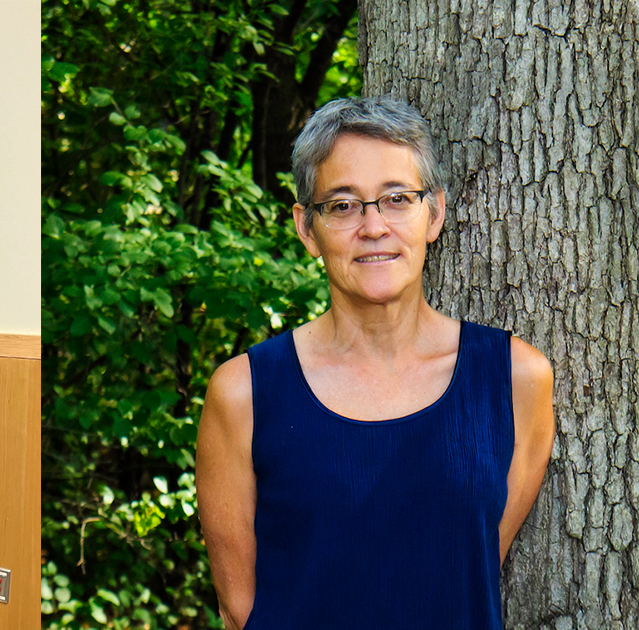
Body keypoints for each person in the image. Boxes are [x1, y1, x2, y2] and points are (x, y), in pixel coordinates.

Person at [196, 97, 555, 629]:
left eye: (396, 199)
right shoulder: (244, 393)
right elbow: (240, 608)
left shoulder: (513, 380)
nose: (373, 226)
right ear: (306, 228)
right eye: (342, 205)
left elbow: (468, 569)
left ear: (433, 213)